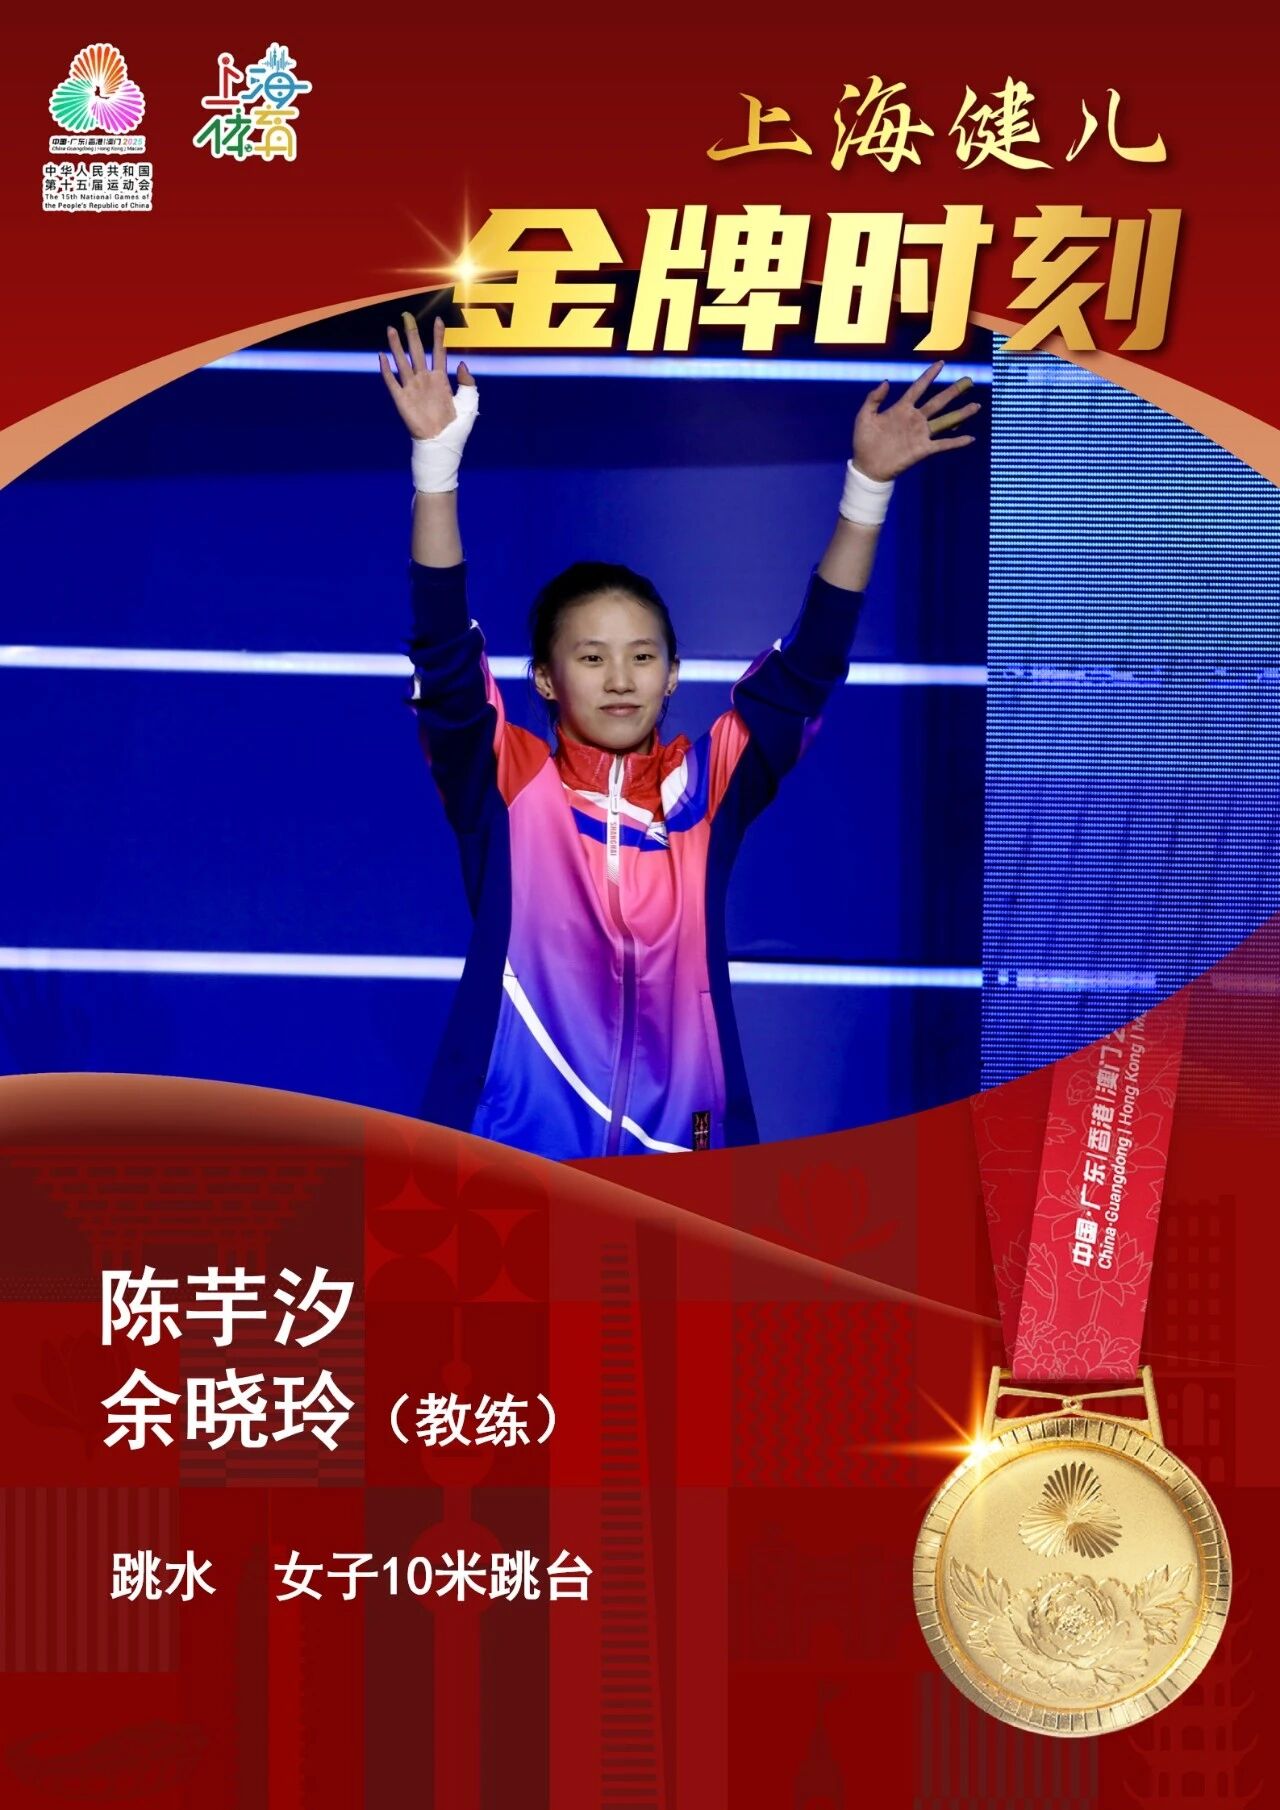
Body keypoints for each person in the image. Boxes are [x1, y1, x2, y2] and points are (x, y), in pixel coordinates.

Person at [381, 314, 979, 1159]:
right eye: (591, 657)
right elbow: (444, 653)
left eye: (642, 657)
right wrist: (435, 467)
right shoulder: (508, 785)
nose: (620, 678)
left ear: (671, 676)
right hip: (507, 1162)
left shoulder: (707, 790)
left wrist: (865, 492)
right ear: (546, 679)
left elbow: (807, 668)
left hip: (685, 1160)